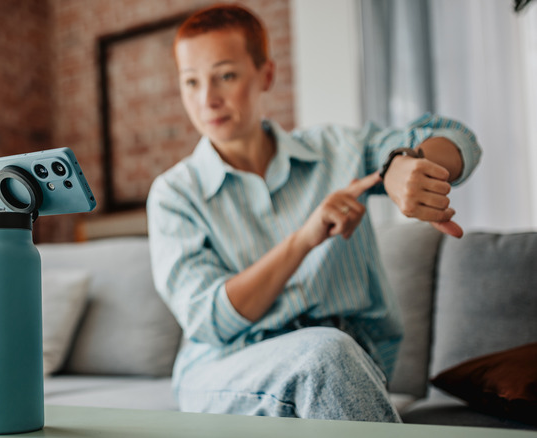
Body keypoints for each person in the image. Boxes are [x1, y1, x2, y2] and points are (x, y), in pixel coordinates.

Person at [146, 4, 481, 422]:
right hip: (226, 369)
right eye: (190, 82)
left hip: (350, 363)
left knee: (330, 352)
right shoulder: (174, 194)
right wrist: (304, 239)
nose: (206, 99)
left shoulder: (335, 149)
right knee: (326, 351)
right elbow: (209, 320)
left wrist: (405, 163)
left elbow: (456, 136)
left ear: (266, 74)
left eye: (226, 75)